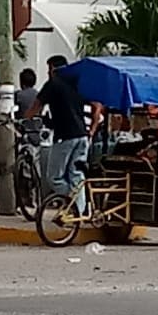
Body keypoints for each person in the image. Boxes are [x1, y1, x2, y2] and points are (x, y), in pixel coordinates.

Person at [26, 56, 96, 215]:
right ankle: (80, 211)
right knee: (76, 175)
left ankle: (73, 202)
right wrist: (92, 127)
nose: (48, 73)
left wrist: (24, 119)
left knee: (54, 177)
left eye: (48, 69)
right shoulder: (77, 84)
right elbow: (96, 105)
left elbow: (37, 105)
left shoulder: (53, 84)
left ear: (53, 69)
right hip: (82, 136)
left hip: (65, 137)